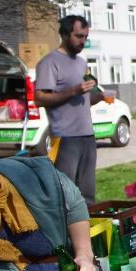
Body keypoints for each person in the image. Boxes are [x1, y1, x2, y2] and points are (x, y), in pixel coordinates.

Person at [35, 15, 106, 204]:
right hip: (65, 137)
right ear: (65, 34)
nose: (83, 41)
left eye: (85, 37)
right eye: (78, 36)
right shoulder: (50, 62)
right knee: (66, 194)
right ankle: (65, 232)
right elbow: (40, 98)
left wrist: (98, 98)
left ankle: (88, 230)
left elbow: (81, 99)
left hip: (87, 135)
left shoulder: (82, 63)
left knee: (88, 193)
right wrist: (73, 90)